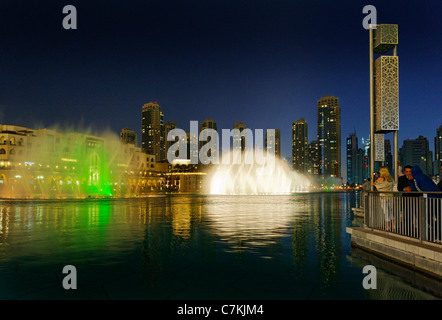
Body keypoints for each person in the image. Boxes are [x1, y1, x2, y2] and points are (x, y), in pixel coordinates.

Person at [372, 166, 394, 231]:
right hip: (390, 197)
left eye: (380, 171)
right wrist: (377, 176)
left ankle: (388, 226)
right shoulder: (390, 179)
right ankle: (394, 225)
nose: (379, 172)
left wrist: (372, 177)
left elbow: (373, 184)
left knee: (386, 211)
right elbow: (384, 183)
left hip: (383, 197)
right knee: (391, 211)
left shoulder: (380, 179)